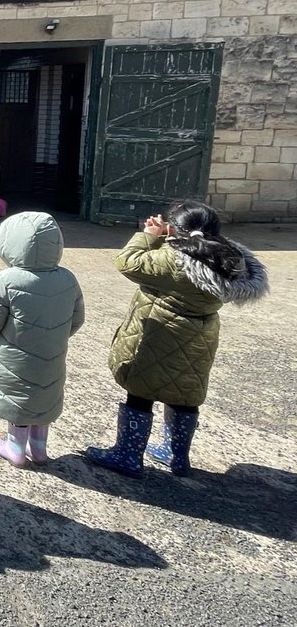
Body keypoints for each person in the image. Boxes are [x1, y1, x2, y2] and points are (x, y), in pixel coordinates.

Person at [85, 201, 268, 477]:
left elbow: (127, 262)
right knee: (184, 394)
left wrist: (150, 235)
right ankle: (177, 456)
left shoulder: (173, 260)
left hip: (159, 334)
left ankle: (128, 454)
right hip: (199, 336)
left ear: (177, 229)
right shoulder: (229, 258)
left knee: (140, 392)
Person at [0, 211, 85, 467]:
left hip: (13, 359)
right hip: (52, 356)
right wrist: (55, 338)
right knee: (43, 398)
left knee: (19, 401)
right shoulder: (68, 278)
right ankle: (39, 449)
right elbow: (77, 319)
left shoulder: (7, 280)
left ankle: (15, 449)